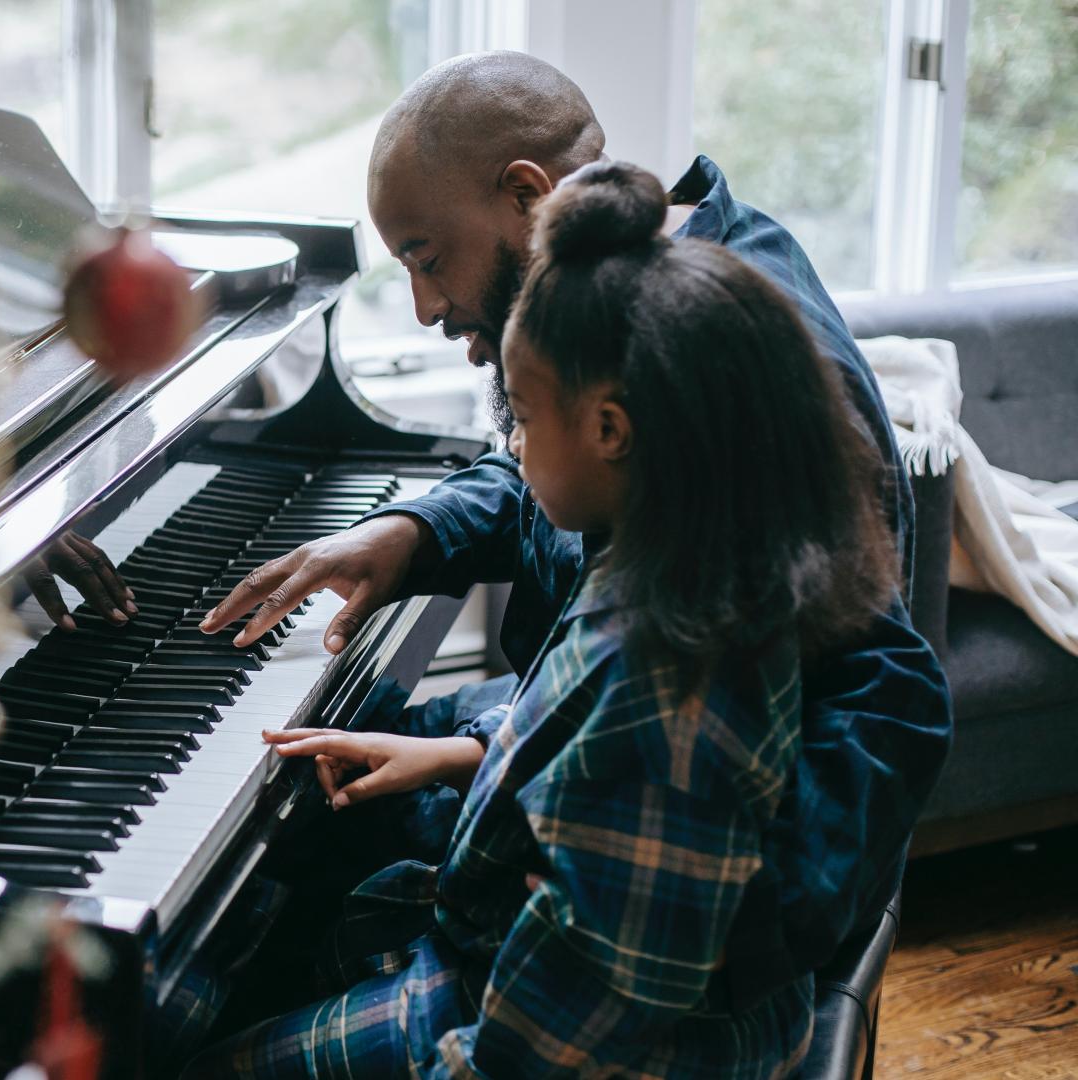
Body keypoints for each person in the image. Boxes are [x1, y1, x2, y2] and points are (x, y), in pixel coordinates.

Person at [196, 51, 949, 987]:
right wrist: (416, 532)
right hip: (570, 740)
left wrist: (505, 833)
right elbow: (554, 469)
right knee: (304, 790)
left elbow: (751, 746)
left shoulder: (724, 367)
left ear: (526, 194)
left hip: (668, 894)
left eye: (428, 260)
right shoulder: (632, 299)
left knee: (283, 859)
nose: (427, 307)